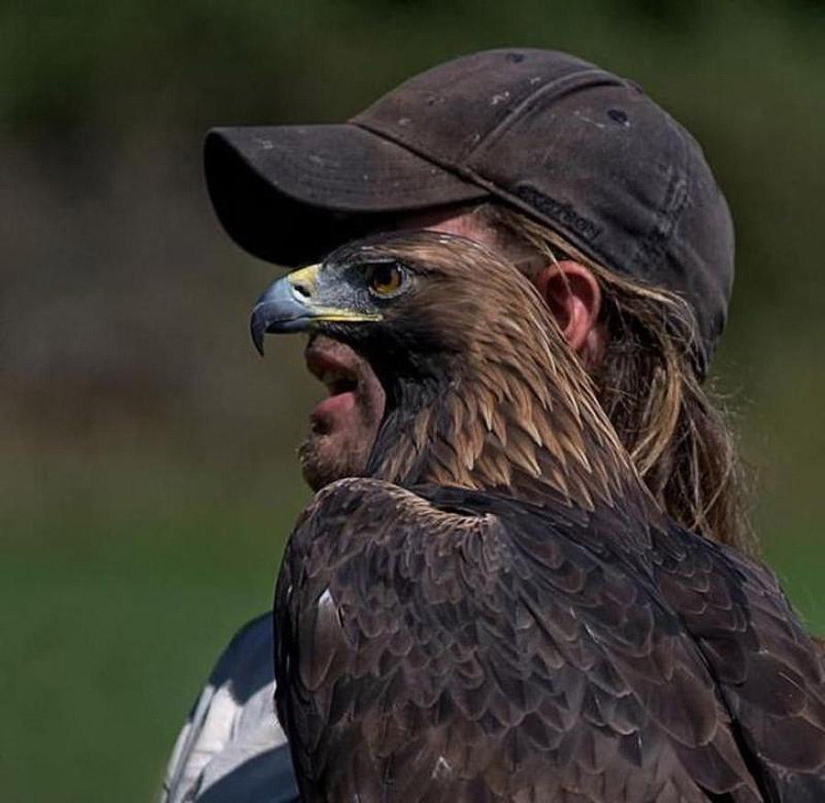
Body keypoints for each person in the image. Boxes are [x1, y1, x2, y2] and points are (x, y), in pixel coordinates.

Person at [160, 48, 746, 803]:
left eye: (386, 275)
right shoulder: (255, 684)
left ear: (557, 313)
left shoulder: (769, 705)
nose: (316, 345)